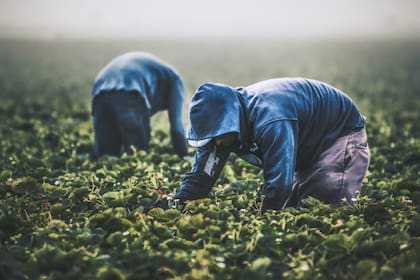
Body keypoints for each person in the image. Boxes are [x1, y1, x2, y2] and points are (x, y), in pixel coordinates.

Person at [174, 78, 370, 211]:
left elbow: (279, 184)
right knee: (298, 208)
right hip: (306, 142)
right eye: (211, 136)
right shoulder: (222, 134)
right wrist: (179, 204)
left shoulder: (271, 119)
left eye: (219, 134)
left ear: (231, 120)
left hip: (339, 134)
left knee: (328, 207)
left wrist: (255, 216)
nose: (216, 142)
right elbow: (202, 175)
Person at [91, 52, 188, 159]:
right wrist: (184, 157)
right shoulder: (176, 81)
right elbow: (177, 129)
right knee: (137, 156)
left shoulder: (160, 74)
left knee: (106, 158)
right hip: (130, 90)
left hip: (100, 90)